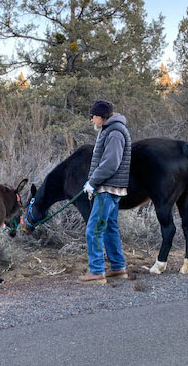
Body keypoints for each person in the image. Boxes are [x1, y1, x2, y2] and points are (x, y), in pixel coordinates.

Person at [79, 99, 132, 285]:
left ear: (101, 116)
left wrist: (92, 182)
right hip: (109, 188)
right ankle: (118, 268)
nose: (91, 120)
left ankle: (96, 272)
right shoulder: (110, 130)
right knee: (109, 227)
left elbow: (111, 163)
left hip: (107, 189)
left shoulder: (115, 133)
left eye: (92, 116)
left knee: (93, 229)